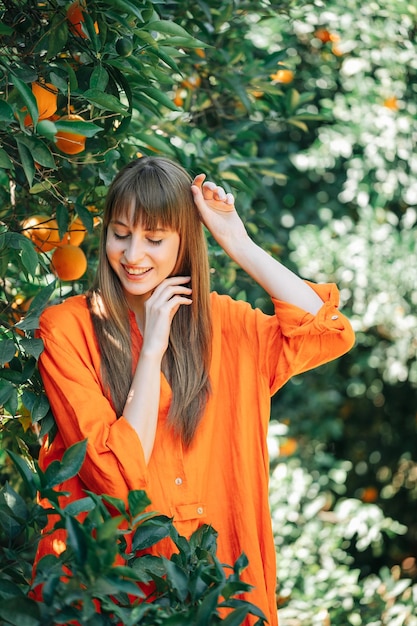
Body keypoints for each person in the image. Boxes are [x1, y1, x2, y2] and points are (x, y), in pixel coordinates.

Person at [32, 156, 355, 625]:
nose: (133, 254)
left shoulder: (224, 323)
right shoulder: (67, 327)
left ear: (185, 244)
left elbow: (327, 332)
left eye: (155, 239)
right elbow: (114, 476)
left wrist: (237, 242)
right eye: (120, 233)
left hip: (221, 588)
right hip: (115, 593)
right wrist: (151, 350)